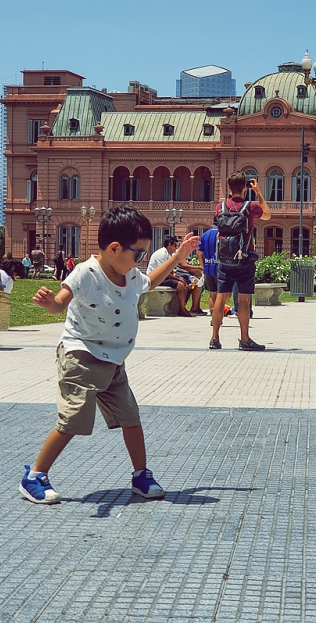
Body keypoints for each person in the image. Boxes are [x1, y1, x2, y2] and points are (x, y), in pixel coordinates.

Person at [18, 205, 200, 504]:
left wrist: (178, 259)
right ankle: (35, 476)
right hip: (81, 354)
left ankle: (141, 476)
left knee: (131, 418)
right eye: (138, 253)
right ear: (115, 248)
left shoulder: (128, 275)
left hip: (114, 359)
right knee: (73, 419)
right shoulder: (85, 273)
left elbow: (150, 282)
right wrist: (49, 302)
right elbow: (60, 304)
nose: (140, 260)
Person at [210, 171, 271, 350]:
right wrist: (258, 192)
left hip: (223, 260)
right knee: (243, 301)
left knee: (221, 298)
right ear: (245, 188)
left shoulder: (220, 207)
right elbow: (267, 214)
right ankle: (244, 339)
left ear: (229, 188)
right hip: (244, 259)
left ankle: (214, 338)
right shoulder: (250, 206)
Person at [147, 236, 194, 317]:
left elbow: (171, 270)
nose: (175, 248)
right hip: (156, 279)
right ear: (169, 245)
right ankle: (182, 310)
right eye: (175, 245)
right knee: (181, 285)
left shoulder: (168, 254)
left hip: (164, 277)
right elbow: (163, 272)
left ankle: (182, 306)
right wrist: (179, 279)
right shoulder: (161, 254)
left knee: (187, 284)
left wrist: (176, 275)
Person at [197, 222, 218, 317]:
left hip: (208, 268)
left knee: (212, 294)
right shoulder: (223, 234)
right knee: (222, 295)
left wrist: (203, 266)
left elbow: (199, 253)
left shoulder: (205, 235)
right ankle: (218, 317)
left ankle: (213, 316)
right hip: (221, 269)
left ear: (212, 223)